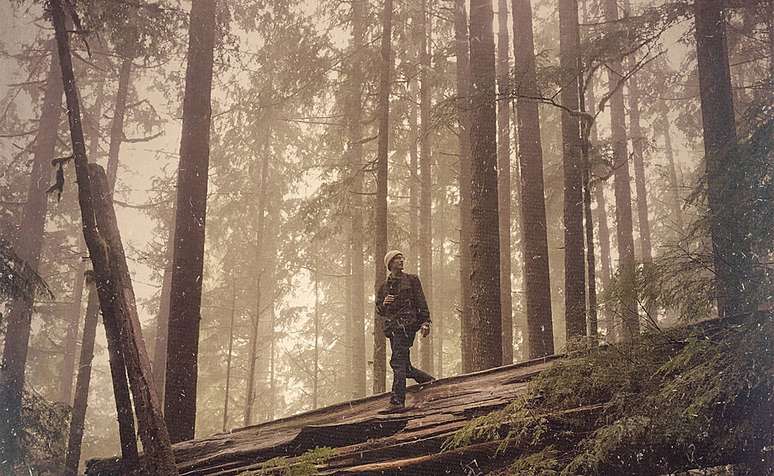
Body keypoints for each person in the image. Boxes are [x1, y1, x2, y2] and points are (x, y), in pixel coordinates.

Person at [376, 250, 434, 411]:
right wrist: (385, 304)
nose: (401, 260)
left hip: (407, 326)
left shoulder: (412, 280)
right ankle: (430, 381)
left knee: (397, 362)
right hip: (393, 329)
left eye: (402, 258)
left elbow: (421, 302)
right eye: (397, 259)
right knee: (405, 367)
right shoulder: (383, 288)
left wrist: (426, 322)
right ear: (390, 264)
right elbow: (379, 310)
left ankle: (397, 402)